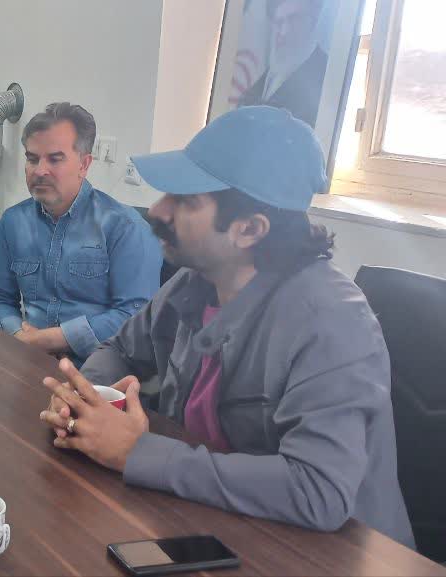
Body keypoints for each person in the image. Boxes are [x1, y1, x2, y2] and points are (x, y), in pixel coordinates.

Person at [37, 106, 415, 548]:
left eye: (185, 200)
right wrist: (86, 399)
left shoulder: (333, 321)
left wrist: (137, 453)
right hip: (217, 521)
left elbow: (319, 490)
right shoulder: (197, 280)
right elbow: (121, 349)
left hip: (329, 553)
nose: (156, 210)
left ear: (249, 229)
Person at [0, 102, 161, 364]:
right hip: (27, 358)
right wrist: (17, 334)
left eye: (55, 159)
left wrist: (50, 339)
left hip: (100, 370)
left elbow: (136, 316)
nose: (39, 170)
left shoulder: (125, 228)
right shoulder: (13, 222)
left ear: (84, 164)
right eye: (32, 159)